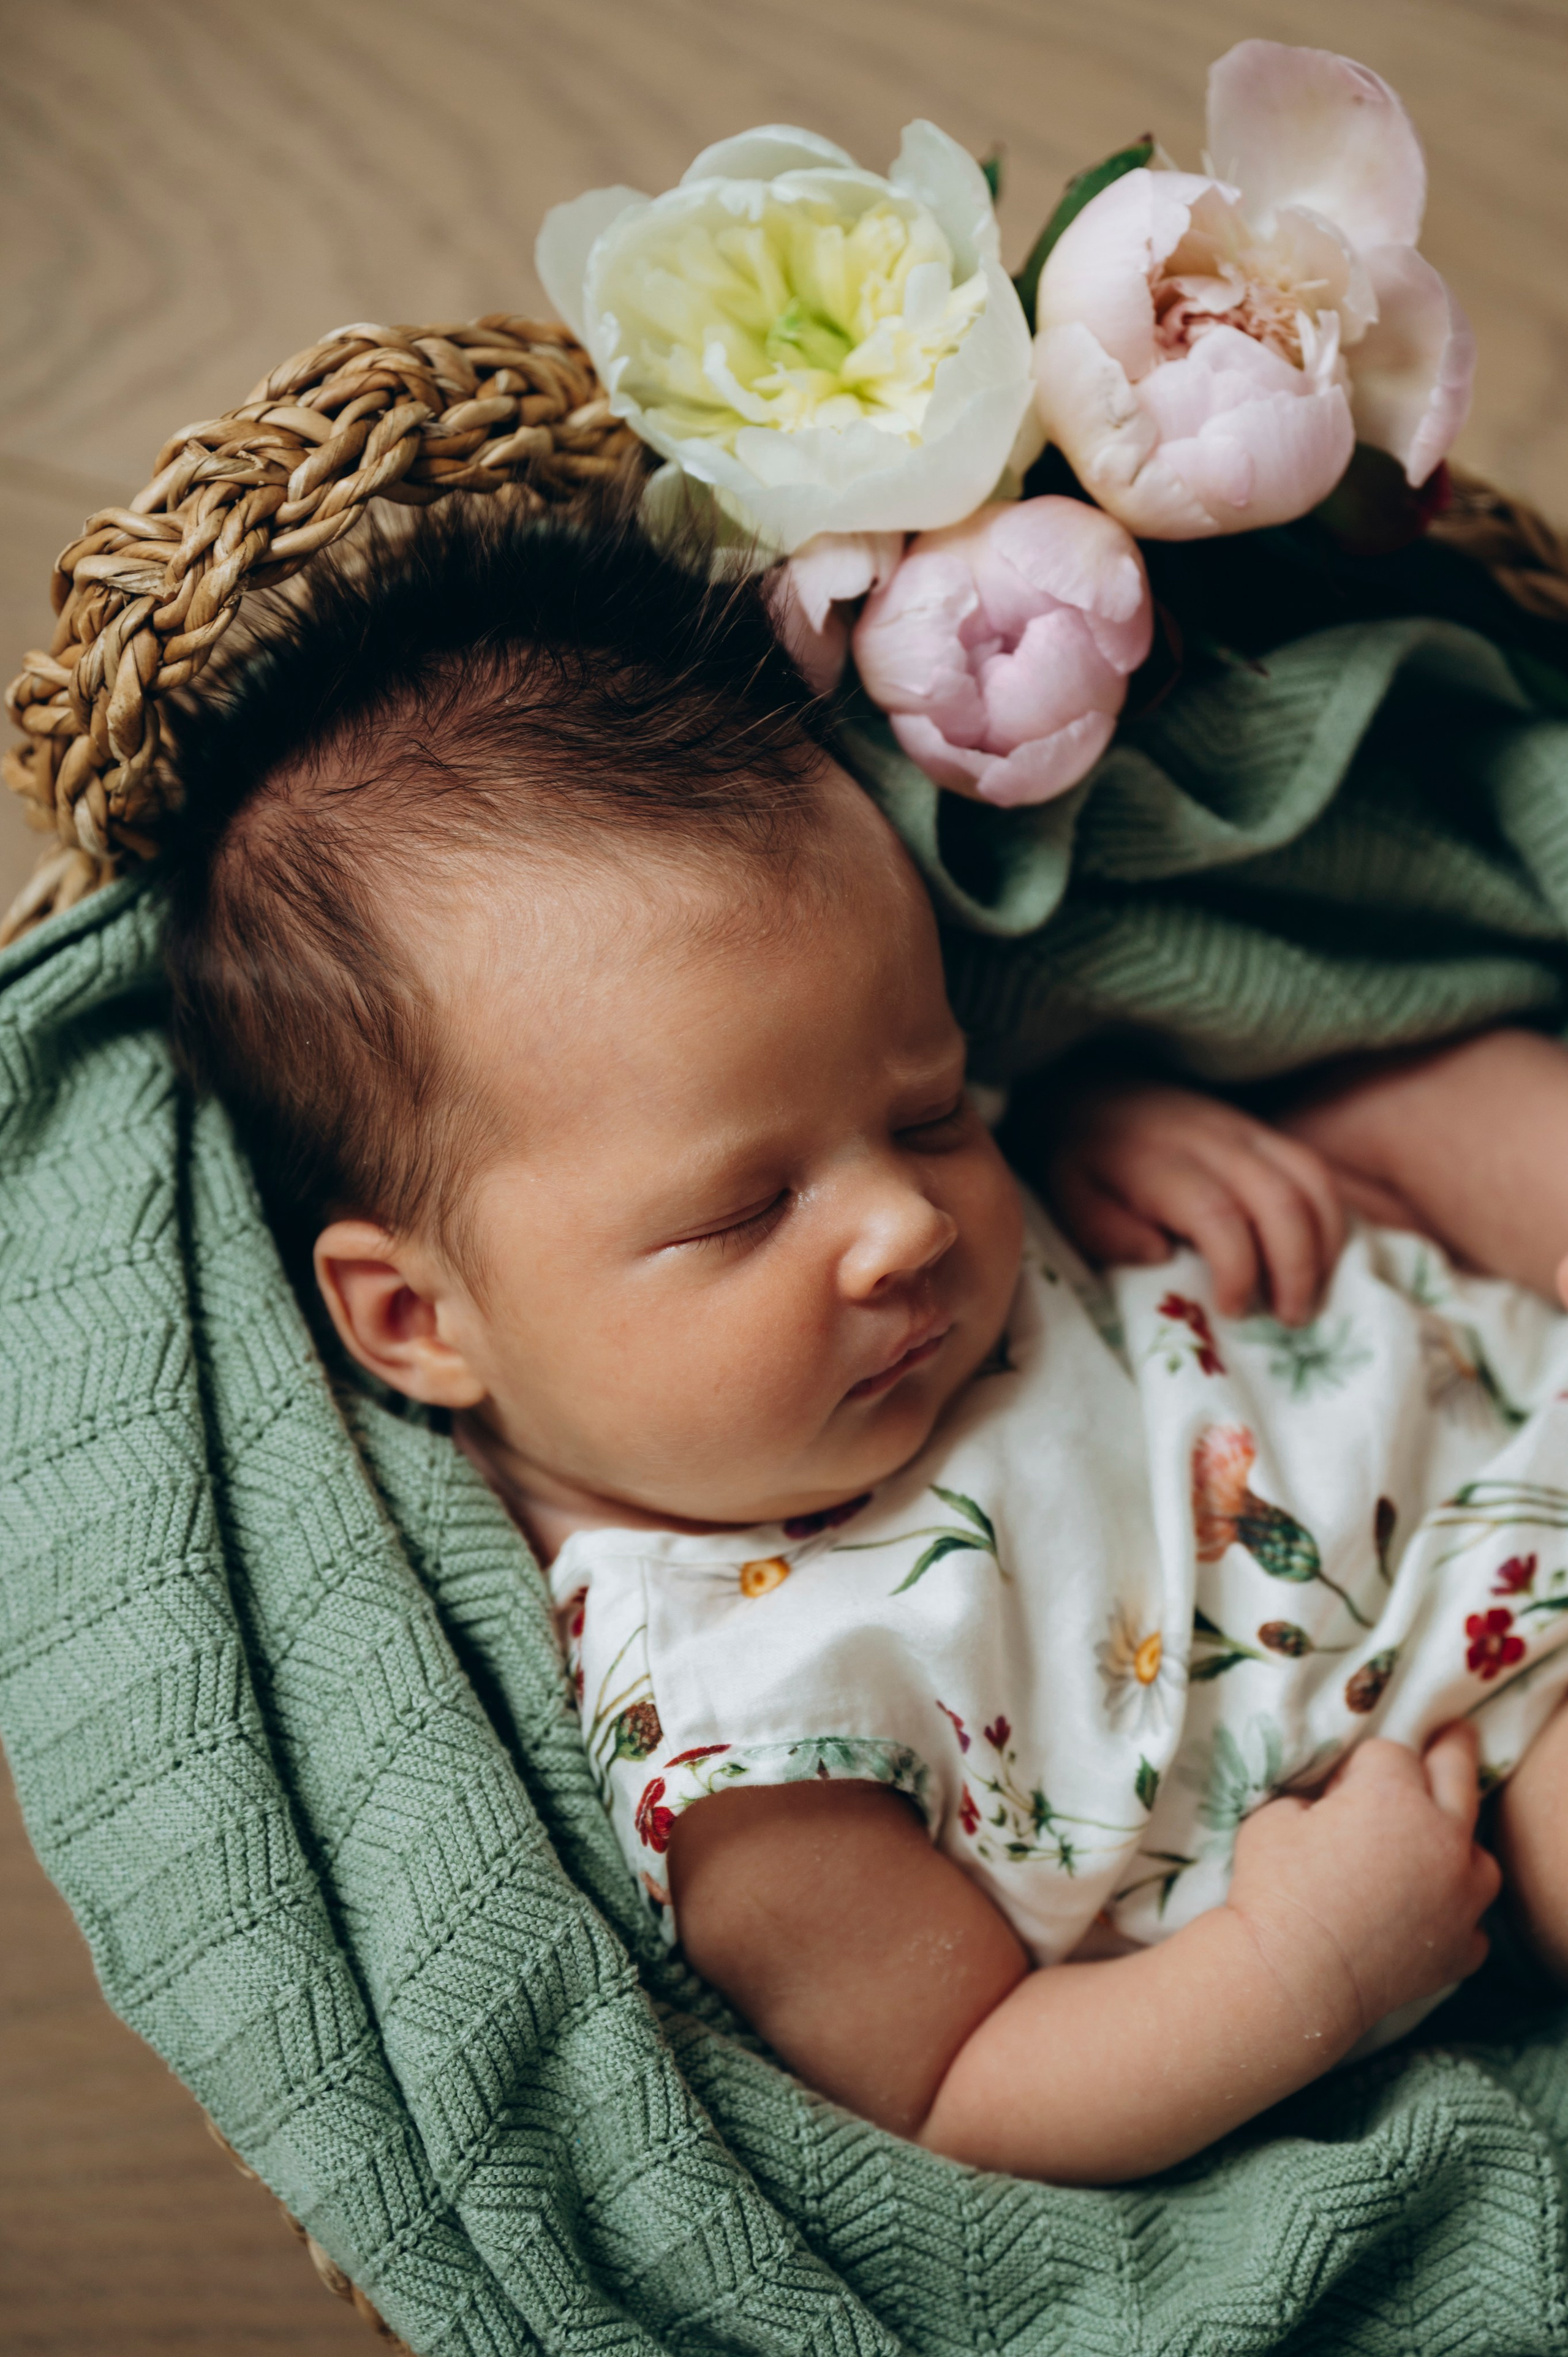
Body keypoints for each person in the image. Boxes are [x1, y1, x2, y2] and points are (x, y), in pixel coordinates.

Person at [164, 497, 1568, 2187]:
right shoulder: (751, 1739)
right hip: (1474, 1728)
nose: (904, 1222)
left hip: (1463, 1355)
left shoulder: (920, 1215)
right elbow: (963, 2085)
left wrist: (1092, 1118)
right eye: (748, 1208)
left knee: (1418, 1092)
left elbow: (1031, 1107)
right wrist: (1302, 1975)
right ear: (418, 1319)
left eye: (919, 1109)